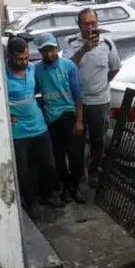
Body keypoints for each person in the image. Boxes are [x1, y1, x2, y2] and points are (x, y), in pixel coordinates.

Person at [5, 36, 62, 219]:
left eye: (26, 58)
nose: (23, 62)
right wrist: (5, 114)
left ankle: (48, 196)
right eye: (19, 59)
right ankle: (30, 203)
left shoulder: (31, 69)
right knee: (23, 170)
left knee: (47, 164)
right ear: (10, 56)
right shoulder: (2, 74)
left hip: (38, 125)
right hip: (18, 130)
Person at [34, 33, 86, 203]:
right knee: (58, 157)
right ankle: (64, 187)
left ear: (56, 48)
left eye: (51, 50)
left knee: (75, 156)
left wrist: (79, 120)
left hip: (69, 114)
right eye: (44, 51)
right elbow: (33, 92)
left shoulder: (68, 66)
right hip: (51, 118)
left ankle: (75, 187)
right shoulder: (37, 69)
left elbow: (78, 94)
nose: (49, 54)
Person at [70, 8, 120, 187]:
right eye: (86, 24)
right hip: (79, 102)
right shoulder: (71, 43)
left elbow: (114, 68)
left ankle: (93, 173)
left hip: (100, 101)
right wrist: (84, 49)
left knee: (98, 140)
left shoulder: (107, 43)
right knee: (78, 142)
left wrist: (102, 85)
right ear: (79, 25)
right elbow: (67, 68)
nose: (90, 27)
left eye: (93, 23)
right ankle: (79, 177)